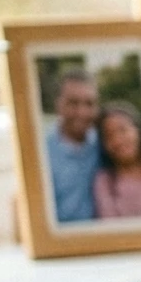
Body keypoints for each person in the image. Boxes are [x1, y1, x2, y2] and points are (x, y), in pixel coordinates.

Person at [40, 70, 101, 226]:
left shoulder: (105, 145)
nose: (82, 112)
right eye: (73, 103)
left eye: (89, 104)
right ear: (58, 104)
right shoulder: (41, 152)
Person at [90, 102, 141, 220]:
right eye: (109, 136)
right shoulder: (104, 182)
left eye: (123, 130)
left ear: (138, 130)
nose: (118, 140)